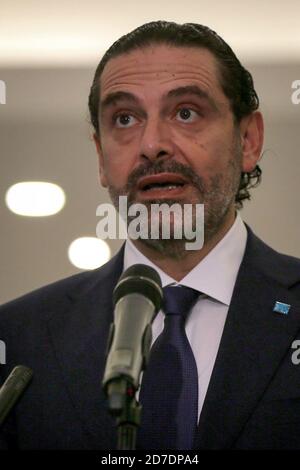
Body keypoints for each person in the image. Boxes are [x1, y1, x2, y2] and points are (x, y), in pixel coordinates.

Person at [1, 20, 300, 450]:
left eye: (186, 112)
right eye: (125, 118)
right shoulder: (16, 338)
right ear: (101, 157)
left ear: (248, 140)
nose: (152, 143)